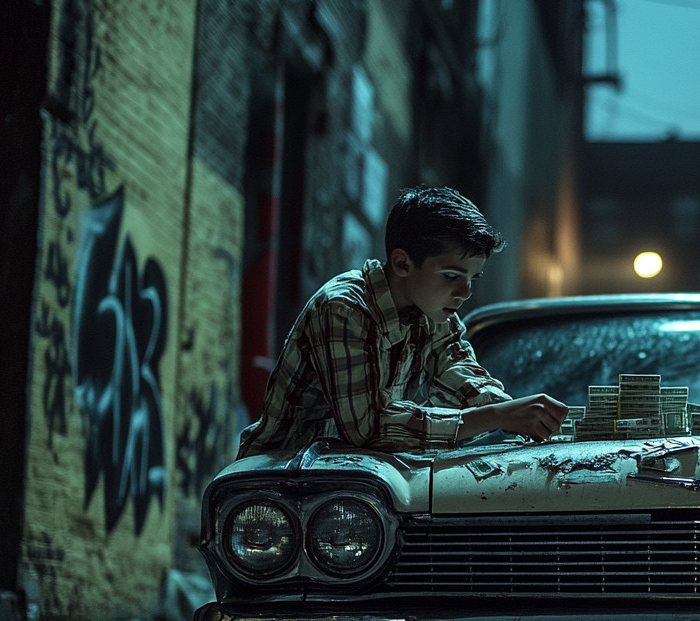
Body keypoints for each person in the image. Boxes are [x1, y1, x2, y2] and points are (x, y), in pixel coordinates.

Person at [237, 186, 567, 458]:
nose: (465, 292)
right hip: (282, 481)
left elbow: (460, 373)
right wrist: (496, 417)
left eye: (473, 278)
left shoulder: (434, 312)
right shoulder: (343, 308)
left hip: (356, 481)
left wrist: (519, 414)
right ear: (402, 263)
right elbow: (368, 429)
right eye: (452, 276)